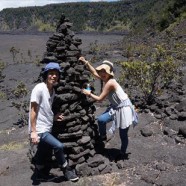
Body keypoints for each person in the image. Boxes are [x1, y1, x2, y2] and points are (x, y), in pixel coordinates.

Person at [79, 57, 138, 159]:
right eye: (101, 71)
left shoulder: (110, 83)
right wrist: (86, 63)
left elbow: (100, 99)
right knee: (101, 120)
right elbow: (94, 72)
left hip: (124, 109)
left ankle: (122, 153)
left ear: (109, 72)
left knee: (123, 134)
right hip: (116, 107)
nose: (102, 73)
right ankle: (103, 136)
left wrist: (89, 94)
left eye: (104, 71)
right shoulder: (106, 78)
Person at [28, 62, 79, 182]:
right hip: (40, 129)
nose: (53, 76)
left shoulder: (52, 91)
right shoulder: (39, 88)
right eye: (51, 74)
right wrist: (33, 132)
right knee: (58, 146)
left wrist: (53, 117)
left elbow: (44, 109)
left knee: (43, 150)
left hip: (47, 126)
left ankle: (39, 172)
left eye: (56, 74)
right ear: (46, 75)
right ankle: (66, 170)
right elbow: (33, 110)